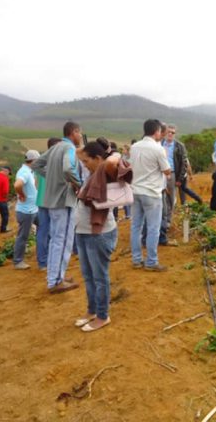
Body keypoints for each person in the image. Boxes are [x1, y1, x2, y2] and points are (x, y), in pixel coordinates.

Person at [74, 140, 132, 332]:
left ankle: (102, 315)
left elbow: (114, 162)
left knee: (99, 276)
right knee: (88, 275)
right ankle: (92, 311)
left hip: (98, 234)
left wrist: (111, 156)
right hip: (83, 232)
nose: (84, 164)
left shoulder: (104, 171)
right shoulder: (93, 174)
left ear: (97, 158)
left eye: (86, 161)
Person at [33, 121, 82, 293]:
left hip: (52, 200)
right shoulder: (69, 148)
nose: (81, 136)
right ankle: (55, 282)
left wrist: (52, 177)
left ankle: (56, 276)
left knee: (56, 239)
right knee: (63, 240)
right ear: (73, 132)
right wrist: (79, 184)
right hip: (63, 199)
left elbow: (36, 164)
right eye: (79, 133)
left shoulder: (54, 148)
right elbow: (68, 169)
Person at [130, 119, 171, 271]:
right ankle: (151, 261)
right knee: (153, 227)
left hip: (135, 191)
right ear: (156, 132)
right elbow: (167, 171)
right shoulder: (157, 149)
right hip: (152, 193)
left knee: (136, 226)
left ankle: (136, 259)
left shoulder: (134, 147)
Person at [36, 137, 62, 270]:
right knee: (54, 232)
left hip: (41, 200)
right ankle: (48, 261)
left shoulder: (42, 161)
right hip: (52, 201)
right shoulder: (55, 162)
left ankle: (43, 261)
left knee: (43, 231)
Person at [12, 150, 40, 270]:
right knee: (23, 236)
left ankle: (43, 252)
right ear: (33, 160)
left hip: (33, 209)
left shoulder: (29, 171)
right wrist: (22, 194)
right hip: (26, 211)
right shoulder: (24, 172)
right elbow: (17, 185)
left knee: (44, 228)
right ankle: (18, 261)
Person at [160, 124, 188, 245]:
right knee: (161, 198)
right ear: (165, 133)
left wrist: (180, 179)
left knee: (171, 198)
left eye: (173, 132)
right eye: (168, 132)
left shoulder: (179, 146)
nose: (170, 134)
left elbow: (184, 163)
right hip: (159, 174)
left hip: (172, 174)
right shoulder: (159, 144)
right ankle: (161, 221)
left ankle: (168, 222)